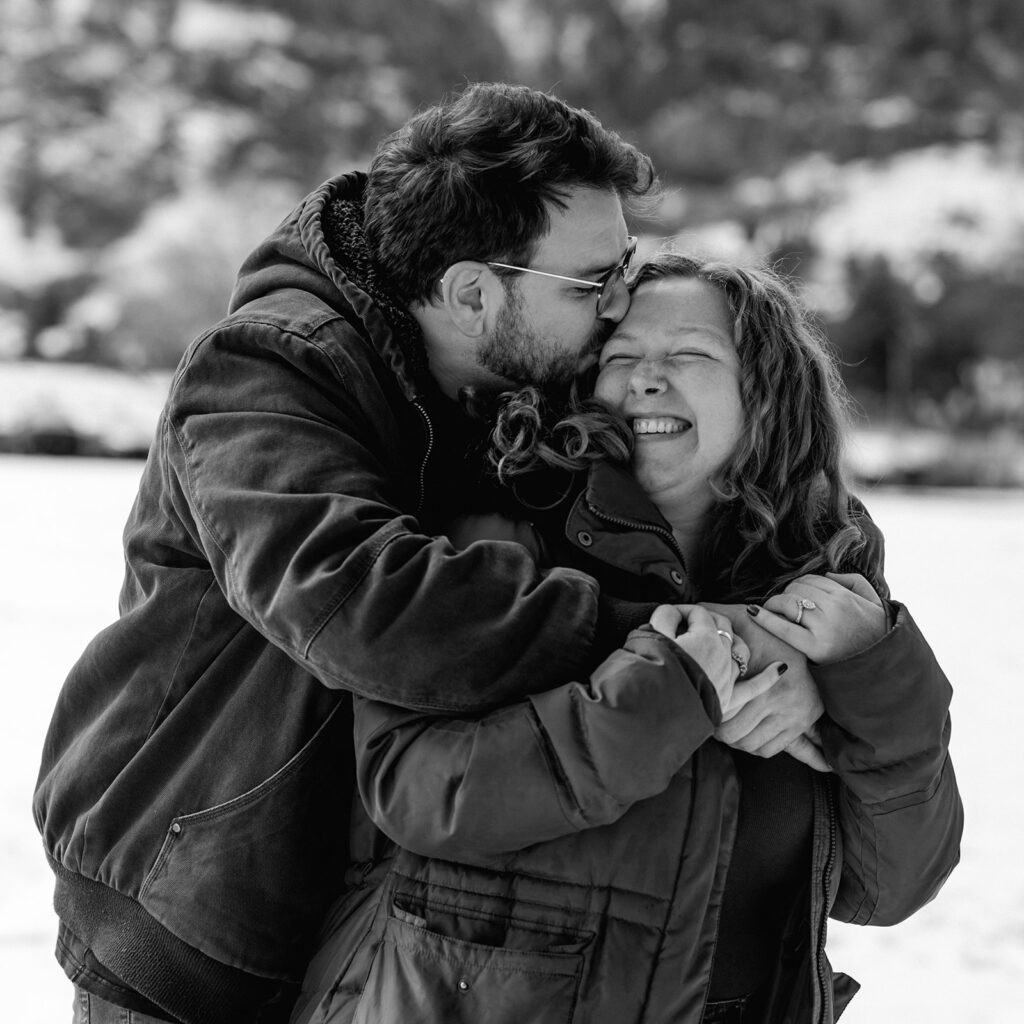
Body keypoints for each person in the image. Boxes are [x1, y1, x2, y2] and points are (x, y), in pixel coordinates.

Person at [32, 83, 663, 1024]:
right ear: (470, 291)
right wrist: (653, 637)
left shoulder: (511, 386)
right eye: (591, 283)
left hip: (369, 934)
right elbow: (364, 606)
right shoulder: (262, 369)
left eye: (629, 270)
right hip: (197, 924)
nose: (620, 306)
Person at [289, 253, 963, 1024]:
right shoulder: (500, 540)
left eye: (688, 354)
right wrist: (670, 689)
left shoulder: (822, 584)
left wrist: (867, 675)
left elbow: (890, 889)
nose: (646, 378)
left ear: (766, 391)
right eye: (621, 358)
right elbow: (417, 794)